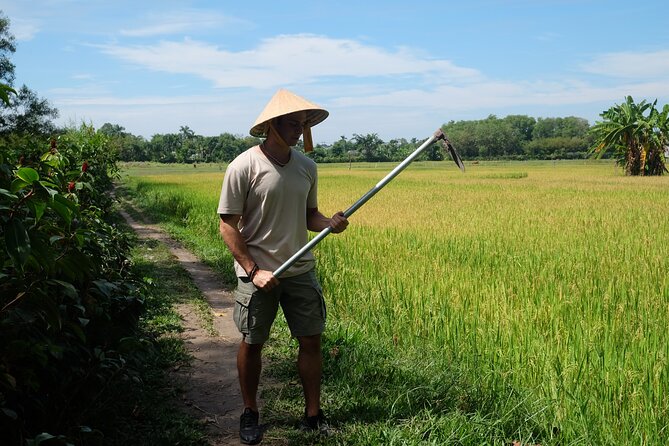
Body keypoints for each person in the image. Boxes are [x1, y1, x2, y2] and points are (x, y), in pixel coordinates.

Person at [217, 89, 348, 445]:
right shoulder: (244, 166)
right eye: (292, 123)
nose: (298, 130)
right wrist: (252, 268)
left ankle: (312, 414)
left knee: (311, 340)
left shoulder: (307, 167)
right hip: (257, 275)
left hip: (300, 270)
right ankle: (250, 411)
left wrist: (329, 223)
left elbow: (310, 216)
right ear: (272, 125)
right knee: (253, 341)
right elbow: (228, 224)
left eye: (302, 124)